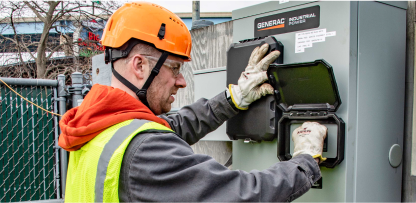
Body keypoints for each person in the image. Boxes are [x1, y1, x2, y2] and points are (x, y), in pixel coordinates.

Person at [59, 2, 327, 203]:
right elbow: (241, 194)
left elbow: (173, 125)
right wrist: (303, 162)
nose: (182, 81)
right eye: (174, 69)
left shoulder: (96, 126)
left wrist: (233, 98)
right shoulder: (144, 151)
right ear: (139, 65)